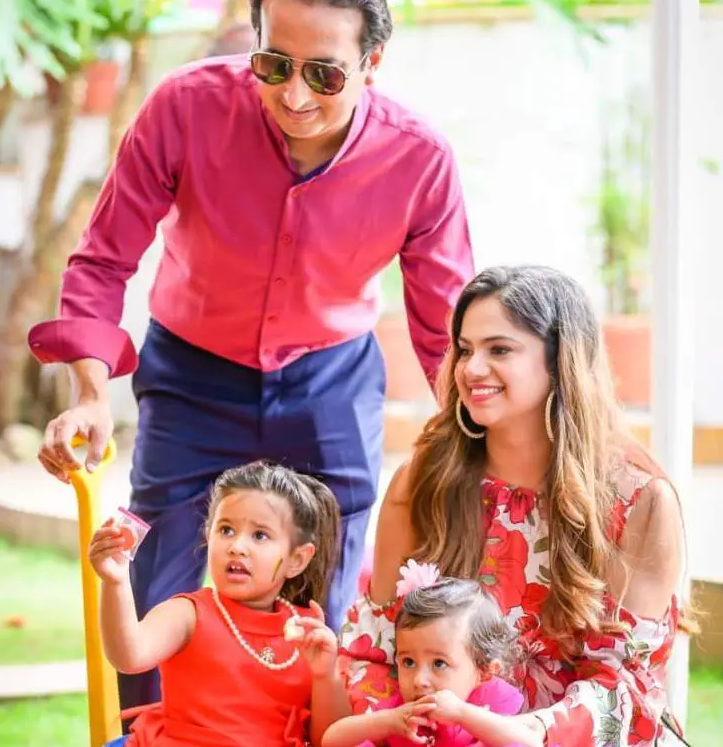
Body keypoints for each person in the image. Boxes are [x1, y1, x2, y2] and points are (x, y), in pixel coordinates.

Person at [29, 0, 473, 715]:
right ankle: (151, 733)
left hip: (330, 380)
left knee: (325, 593)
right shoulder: (185, 106)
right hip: (192, 371)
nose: (294, 94)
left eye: (324, 73)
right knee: (162, 571)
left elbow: (444, 325)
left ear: (373, 60)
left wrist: (471, 439)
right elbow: (105, 257)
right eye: (274, 64)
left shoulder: (418, 158)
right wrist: (87, 394)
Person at [340, 265, 689, 746]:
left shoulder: (639, 500)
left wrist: (511, 733)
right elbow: (374, 650)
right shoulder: (421, 485)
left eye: (499, 349)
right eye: (465, 350)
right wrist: (402, 729)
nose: (471, 369)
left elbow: (625, 684)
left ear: (559, 360)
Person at [89, 461, 348, 746]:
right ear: (208, 535)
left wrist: (326, 674)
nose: (237, 546)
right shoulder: (189, 613)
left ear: (297, 559)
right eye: (226, 530)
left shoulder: (307, 634)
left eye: (260, 535)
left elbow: (329, 739)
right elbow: (129, 655)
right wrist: (116, 582)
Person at [325, 565, 541, 747]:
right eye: (408, 662)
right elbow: (330, 740)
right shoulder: (401, 711)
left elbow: (532, 742)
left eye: (439, 663)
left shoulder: (492, 701)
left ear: (484, 670)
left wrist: (462, 714)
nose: (419, 680)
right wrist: (388, 721)